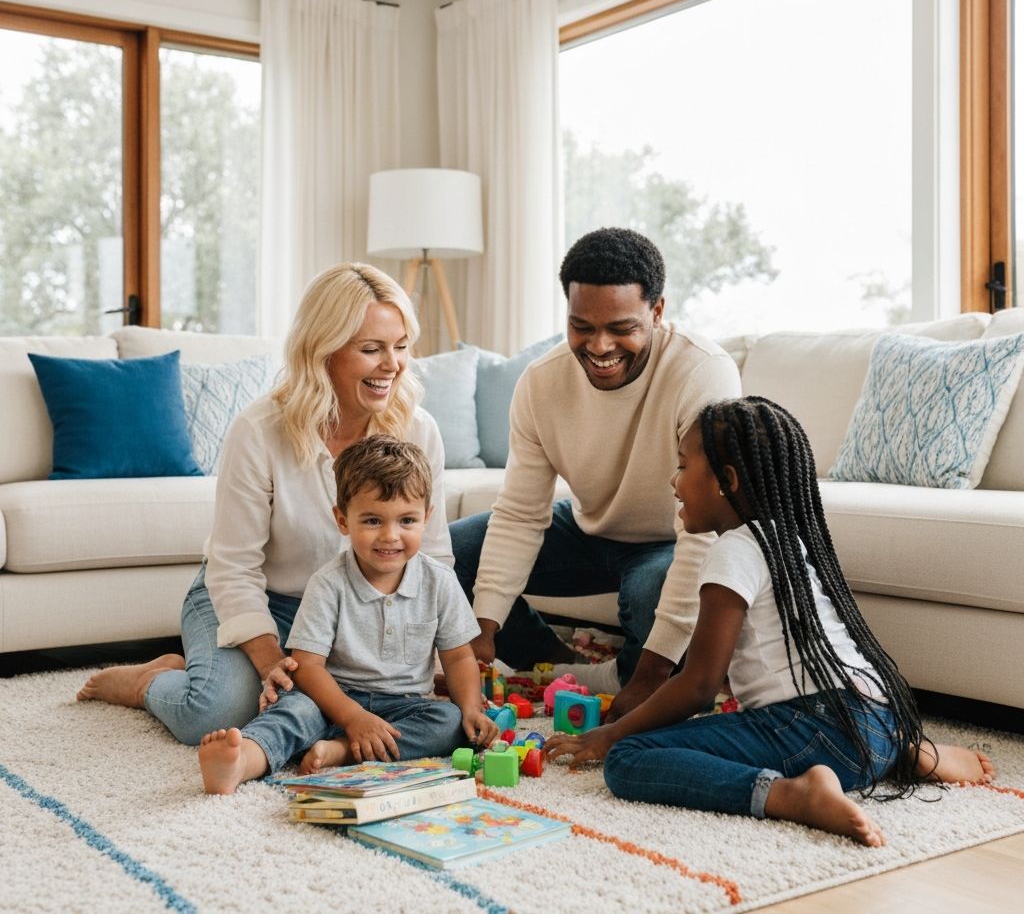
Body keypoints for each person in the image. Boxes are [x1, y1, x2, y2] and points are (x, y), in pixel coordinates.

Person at [543, 397, 996, 846]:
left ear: (727, 481)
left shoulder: (732, 550)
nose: (674, 481)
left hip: (816, 729)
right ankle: (904, 753)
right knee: (737, 732)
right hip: (876, 720)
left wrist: (613, 734)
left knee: (629, 758)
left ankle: (790, 794)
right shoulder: (787, 541)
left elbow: (699, 684)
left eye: (682, 466)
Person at [77, 263, 455, 745]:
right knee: (214, 712)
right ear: (323, 349)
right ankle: (148, 681)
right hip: (257, 595)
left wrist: (429, 659)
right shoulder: (259, 430)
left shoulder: (419, 430)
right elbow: (234, 567)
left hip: (349, 609)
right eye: (371, 349)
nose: (393, 365)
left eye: (400, 346)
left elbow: (432, 558)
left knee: (347, 705)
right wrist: (271, 661)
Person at [451, 228, 741, 720]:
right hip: (588, 530)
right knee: (450, 552)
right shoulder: (541, 383)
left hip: (671, 539)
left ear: (657, 311)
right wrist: (483, 630)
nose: (600, 346)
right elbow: (520, 513)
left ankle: (631, 675)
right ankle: (553, 662)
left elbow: (703, 535)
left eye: (621, 327)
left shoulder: (703, 372)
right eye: (581, 326)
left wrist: (648, 679)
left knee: (654, 593)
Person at [198, 435, 498, 794]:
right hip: (331, 700)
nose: (390, 536)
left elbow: (459, 657)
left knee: (448, 721)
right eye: (372, 521)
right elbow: (307, 667)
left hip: (403, 707)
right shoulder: (328, 583)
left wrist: (471, 709)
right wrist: (352, 717)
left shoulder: (440, 582)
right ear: (342, 520)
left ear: (427, 519)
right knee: (293, 713)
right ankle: (241, 761)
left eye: (407, 520)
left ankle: (341, 751)